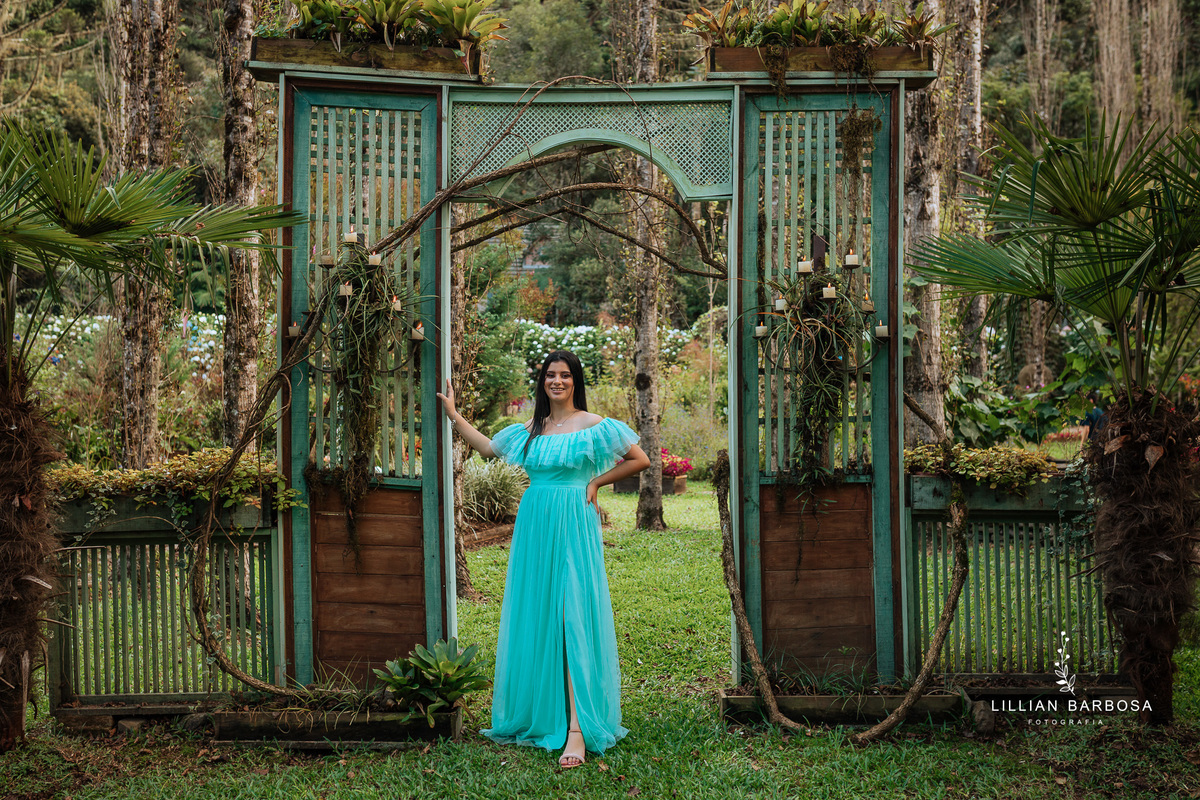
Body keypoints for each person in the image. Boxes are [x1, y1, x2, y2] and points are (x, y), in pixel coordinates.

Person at [436, 350, 650, 769]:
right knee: (542, 615)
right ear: (543, 382)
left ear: (576, 381)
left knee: (572, 616)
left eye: (565, 375)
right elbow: (489, 447)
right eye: (550, 375)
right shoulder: (531, 429)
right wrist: (453, 414)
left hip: (573, 521)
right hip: (535, 524)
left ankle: (576, 729)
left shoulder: (593, 425)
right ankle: (544, 715)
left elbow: (639, 460)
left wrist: (596, 482)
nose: (557, 381)